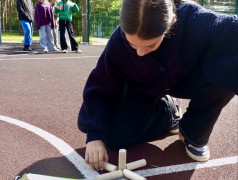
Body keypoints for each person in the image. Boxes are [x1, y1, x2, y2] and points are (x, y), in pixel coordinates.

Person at [78, 0, 238, 171]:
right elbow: (100, 83)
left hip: (187, 79)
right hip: (144, 85)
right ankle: (169, 112)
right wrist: (94, 135)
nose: (139, 53)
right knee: (115, 138)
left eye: (150, 45)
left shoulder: (196, 21)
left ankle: (193, 131)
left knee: (225, 70)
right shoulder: (118, 42)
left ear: (170, 24)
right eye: (132, 44)